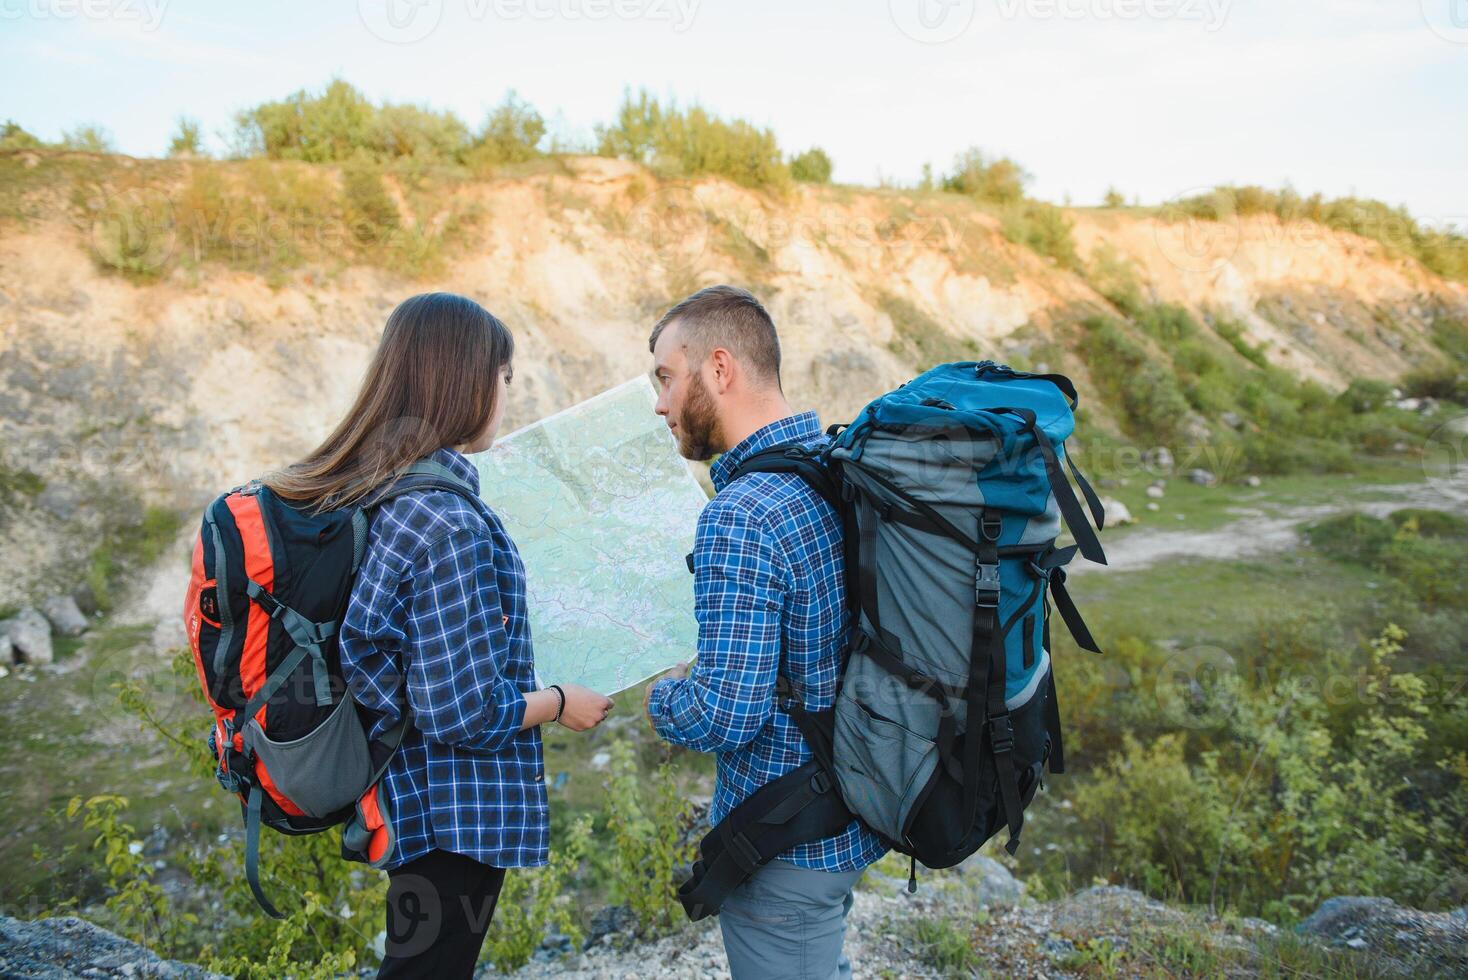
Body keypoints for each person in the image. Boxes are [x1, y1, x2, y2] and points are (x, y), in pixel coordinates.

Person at [263, 292, 613, 979]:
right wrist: (559, 699)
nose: (506, 394)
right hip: (454, 814)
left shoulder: (388, 494)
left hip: (413, 802)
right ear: (466, 380)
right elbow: (461, 709)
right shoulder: (447, 522)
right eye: (504, 377)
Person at [643, 285, 886, 979]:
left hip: (784, 843)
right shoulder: (831, 463)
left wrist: (662, 699)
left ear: (720, 370)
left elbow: (727, 712)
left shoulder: (742, 513)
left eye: (666, 377)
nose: (660, 403)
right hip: (847, 811)